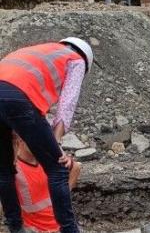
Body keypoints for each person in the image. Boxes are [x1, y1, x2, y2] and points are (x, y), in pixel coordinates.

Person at [0, 38, 93, 233]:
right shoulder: (76, 60)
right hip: (17, 97)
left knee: (4, 169)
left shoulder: (36, 50)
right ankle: (69, 230)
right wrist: (57, 144)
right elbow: (67, 105)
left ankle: (15, 227)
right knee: (58, 169)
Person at [14, 134, 82, 233]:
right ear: (20, 140)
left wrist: (63, 195)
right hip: (34, 228)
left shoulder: (48, 156)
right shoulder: (14, 168)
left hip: (62, 224)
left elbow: (76, 167)